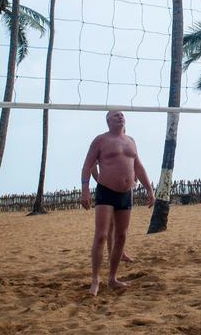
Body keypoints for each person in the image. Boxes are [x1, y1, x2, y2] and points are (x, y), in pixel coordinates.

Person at [81, 110, 154, 296]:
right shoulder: (100, 140)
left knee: (121, 236)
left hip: (125, 193)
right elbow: (87, 165)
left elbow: (138, 166)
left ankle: (112, 278)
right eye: (115, 115)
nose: (120, 116)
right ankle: (95, 279)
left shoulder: (131, 141)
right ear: (108, 121)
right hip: (106, 191)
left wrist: (149, 189)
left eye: (121, 115)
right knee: (101, 236)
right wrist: (85, 190)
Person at [90, 164, 134, 263]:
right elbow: (92, 165)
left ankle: (121, 253)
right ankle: (111, 254)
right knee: (111, 225)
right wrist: (99, 180)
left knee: (122, 226)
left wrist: (133, 179)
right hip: (108, 189)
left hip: (125, 189)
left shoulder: (127, 148)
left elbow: (133, 164)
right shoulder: (102, 148)